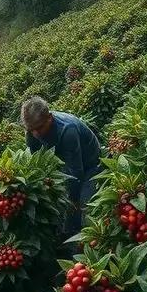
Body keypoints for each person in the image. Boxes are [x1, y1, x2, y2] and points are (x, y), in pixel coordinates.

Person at [21, 96, 101, 239]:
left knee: (84, 205)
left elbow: (76, 172)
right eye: (31, 129)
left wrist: (73, 200)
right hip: (64, 159)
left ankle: (83, 240)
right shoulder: (31, 131)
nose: (36, 134)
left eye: (39, 128)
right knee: (63, 203)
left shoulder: (67, 130)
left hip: (89, 162)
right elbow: (37, 162)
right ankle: (67, 234)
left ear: (50, 118)